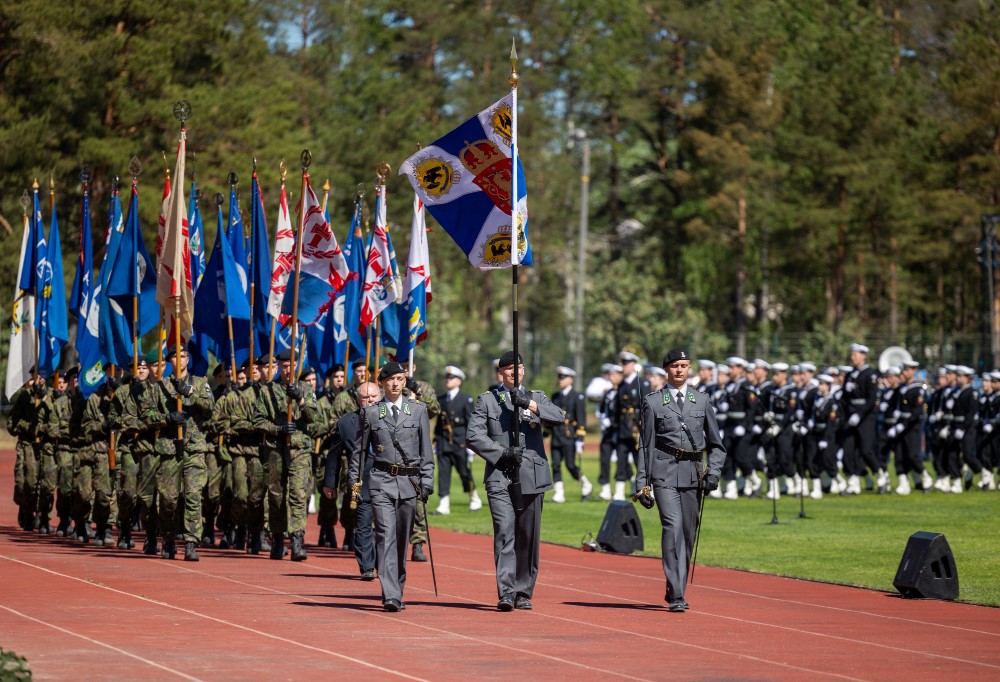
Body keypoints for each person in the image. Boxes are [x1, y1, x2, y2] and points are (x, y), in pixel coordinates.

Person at [466, 350, 564, 612]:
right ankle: (507, 592)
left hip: (532, 475)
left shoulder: (537, 397)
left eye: (518, 367)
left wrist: (529, 404)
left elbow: (559, 417)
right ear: (501, 372)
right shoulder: (488, 400)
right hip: (500, 474)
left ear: (523, 370)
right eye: (508, 368)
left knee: (528, 536)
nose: (514, 372)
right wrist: (502, 453)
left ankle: (523, 591)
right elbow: (473, 436)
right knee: (505, 530)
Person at [634, 348, 725, 613]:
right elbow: (645, 446)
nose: (679, 370)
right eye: (675, 366)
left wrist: (714, 472)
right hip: (663, 474)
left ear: (689, 369)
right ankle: (677, 594)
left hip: (693, 474)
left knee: (687, 533)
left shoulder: (702, 400)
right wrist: (642, 484)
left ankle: (675, 586)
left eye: (684, 366)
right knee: (672, 528)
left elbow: (717, 445)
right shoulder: (653, 402)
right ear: (666, 369)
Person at [349, 362, 434, 612]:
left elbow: (426, 451)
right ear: (382, 383)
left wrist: (427, 481)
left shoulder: (418, 410)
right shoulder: (371, 413)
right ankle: (391, 595)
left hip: (409, 483)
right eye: (390, 380)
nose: (395, 384)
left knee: (401, 539)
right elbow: (359, 452)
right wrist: (354, 481)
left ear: (404, 381)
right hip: (381, 481)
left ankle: (397, 585)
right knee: (385, 536)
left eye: (399, 379)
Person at [324, 381, 381, 578]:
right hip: (360, 480)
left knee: (384, 526)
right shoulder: (346, 423)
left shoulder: (392, 419)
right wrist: (329, 483)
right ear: (358, 400)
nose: (370, 400)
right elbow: (333, 455)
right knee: (363, 524)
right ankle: (366, 567)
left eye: (373, 396)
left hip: (387, 480)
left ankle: (383, 563)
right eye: (365, 397)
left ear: (380, 397)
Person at [433, 365, 480, 514]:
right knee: (443, 473)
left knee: (464, 472)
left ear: (459, 381)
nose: (448, 380)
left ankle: (474, 498)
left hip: (460, 443)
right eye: (447, 377)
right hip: (443, 442)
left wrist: (471, 445)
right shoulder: (441, 399)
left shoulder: (466, 399)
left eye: (451, 378)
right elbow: (439, 423)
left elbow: (470, 423)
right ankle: (444, 504)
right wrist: (435, 441)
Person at [548, 366, 592, 502]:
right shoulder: (555, 396)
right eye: (559, 377)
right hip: (556, 435)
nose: (560, 380)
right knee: (555, 465)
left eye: (563, 377)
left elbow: (581, 419)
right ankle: (559, 494)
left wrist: (580, 439)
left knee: (570, 465)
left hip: (569, 436)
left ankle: (586, 484)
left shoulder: (577, 397)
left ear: (571, 379)